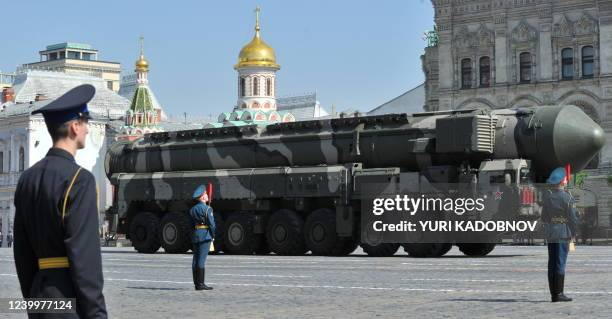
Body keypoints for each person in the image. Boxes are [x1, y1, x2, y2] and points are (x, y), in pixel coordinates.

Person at [13, 84, 107, 318]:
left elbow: (22, 253)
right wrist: (96, 314)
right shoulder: (79, 180)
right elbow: (85, 260)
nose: (87, 129)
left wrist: (33, 300)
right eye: (86, 122)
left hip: (40, 298)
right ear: (75, 127)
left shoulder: (27, 179)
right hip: (69, 302)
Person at [541, 167, 580, 302]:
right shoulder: (567, 197)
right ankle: (559, 294)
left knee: (552, 263)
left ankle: (554, 294)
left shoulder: (548, 197)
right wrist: (574, 233)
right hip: (563, 233)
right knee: (560, 263)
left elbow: (544, 217)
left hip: (551, 233)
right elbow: (573, 219)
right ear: (563, 181)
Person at [189, 184, 216, 291]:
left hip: (195, 235)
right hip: (205, 235)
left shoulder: (192, 210)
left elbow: (190, 224)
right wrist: (213, 235)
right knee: (201, 260)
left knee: (195, 260)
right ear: (202, 197)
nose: (207, 195)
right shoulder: (207, 209)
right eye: (205, 194)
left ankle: (196, 283)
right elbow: (212, 225)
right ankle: (201, 284)